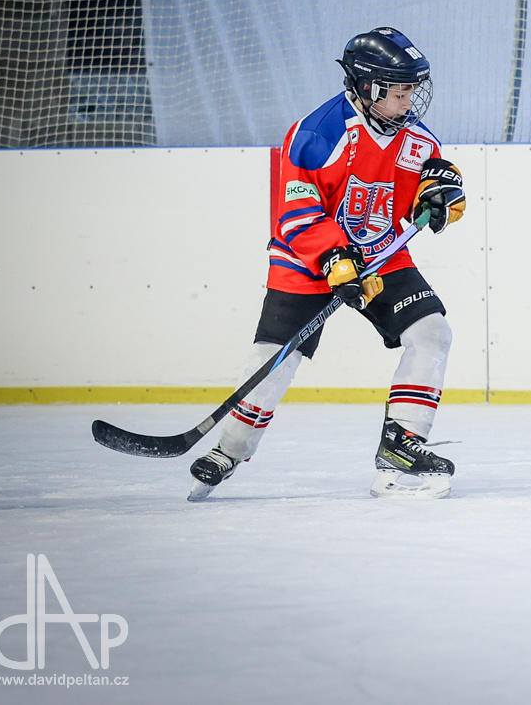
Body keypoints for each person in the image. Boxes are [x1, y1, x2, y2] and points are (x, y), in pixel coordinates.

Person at [188, 26, 467, 501]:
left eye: (411, 91)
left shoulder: (415, 139)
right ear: (367, 88)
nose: (409, 103)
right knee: (275, 359)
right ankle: (229, 450)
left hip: (380, 255)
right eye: (399, 93)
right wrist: (334, 259)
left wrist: (441, 191)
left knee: (432, 333)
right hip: (306, 259)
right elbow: (297, 214)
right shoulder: (316, 135)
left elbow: (424, 182)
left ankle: (401, 445)